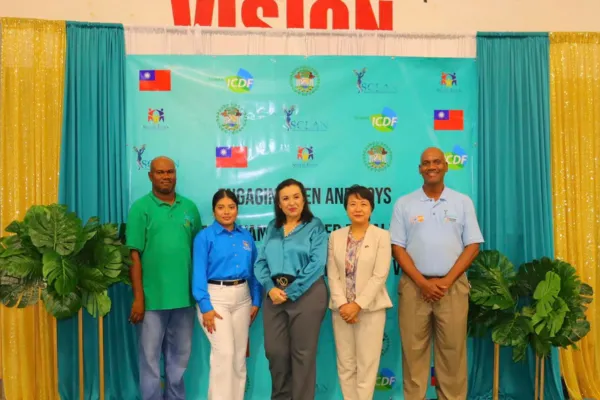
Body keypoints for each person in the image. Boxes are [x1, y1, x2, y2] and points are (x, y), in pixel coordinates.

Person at [389, 147, 483, 400]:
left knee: (453, 354)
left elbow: (473, 245)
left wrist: (446, 281)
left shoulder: (462, 202)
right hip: (414, 287)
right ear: (420, 169)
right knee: (413, 353)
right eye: (426, 163)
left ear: (446, 166)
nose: (432, 167)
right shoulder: (404, 203)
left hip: (452, 288)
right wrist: (423, 283)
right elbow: (397, 248)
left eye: (437, 162)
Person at [126, 156, 201, 400]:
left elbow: (198, 252)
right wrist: (139, 298)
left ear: (175, 175)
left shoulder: (189, 208)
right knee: (149, 361)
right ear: (150, 176)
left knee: (179, 360)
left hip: (184, 299)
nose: (166, 176)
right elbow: (133, 256)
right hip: (152, 300)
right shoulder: (140, 208)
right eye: (160, 172)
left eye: (170, 172)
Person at [254, 178, 329, 400]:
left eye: (296, 197)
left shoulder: (315, 226)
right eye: (285, 198)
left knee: (303, 355)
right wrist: (270, 288)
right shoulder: (273, 227)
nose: (291, 202)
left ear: (304, 200)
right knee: (275, 352)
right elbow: (260, 262)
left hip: (307, 295)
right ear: (279, 204)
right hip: (274, 296)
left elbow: (317, 264)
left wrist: (291, 292)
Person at [191, 189, 262, 400]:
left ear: (237, 209)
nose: (226, 212)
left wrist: (256, 300)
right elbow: (198, 274)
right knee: (225, 354)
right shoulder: (204, 237)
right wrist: (205, 306)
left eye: (231, 207)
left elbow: (255, 271)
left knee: (239, 358)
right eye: (221, 207)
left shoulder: (246, 236)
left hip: (243, 298)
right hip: (215, 298)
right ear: (214, 211)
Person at [327, 185, 392, 400]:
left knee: (367, 366)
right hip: (341, 311)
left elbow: (380, 275)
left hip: (370, 310)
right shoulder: (335, 236)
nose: (358, 208)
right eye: (352, 204)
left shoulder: (382, 236)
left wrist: (357, 305)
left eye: (363, 204)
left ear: (371, 208)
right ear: (346, 208)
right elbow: (332, 275)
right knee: (346, 365)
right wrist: (343, 305)